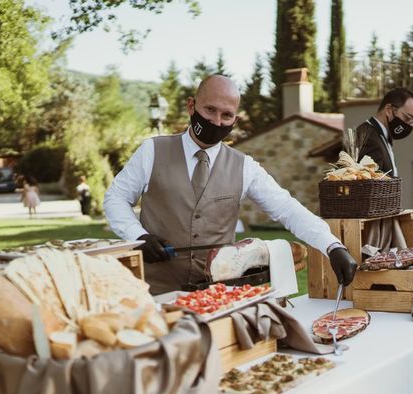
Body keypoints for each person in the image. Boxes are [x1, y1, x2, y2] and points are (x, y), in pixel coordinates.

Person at [104, 75, 357, 295]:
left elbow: (287, 209)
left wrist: (331, 245)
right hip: (154, 291)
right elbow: (115, 198)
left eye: (227, 115)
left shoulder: (244, 166)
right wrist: (137, 237)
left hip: (220, 294)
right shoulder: (152, 151)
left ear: (235, 119)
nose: (217, 121)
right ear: (191, 106)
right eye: (210, 110)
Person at [355, 87, 413, 235]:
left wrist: (409, 216)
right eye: (407, 118)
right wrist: (407, 223)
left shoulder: (380, 136)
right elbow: (371, 199)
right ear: (389, 109)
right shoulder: (369, 138)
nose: (409, 126)